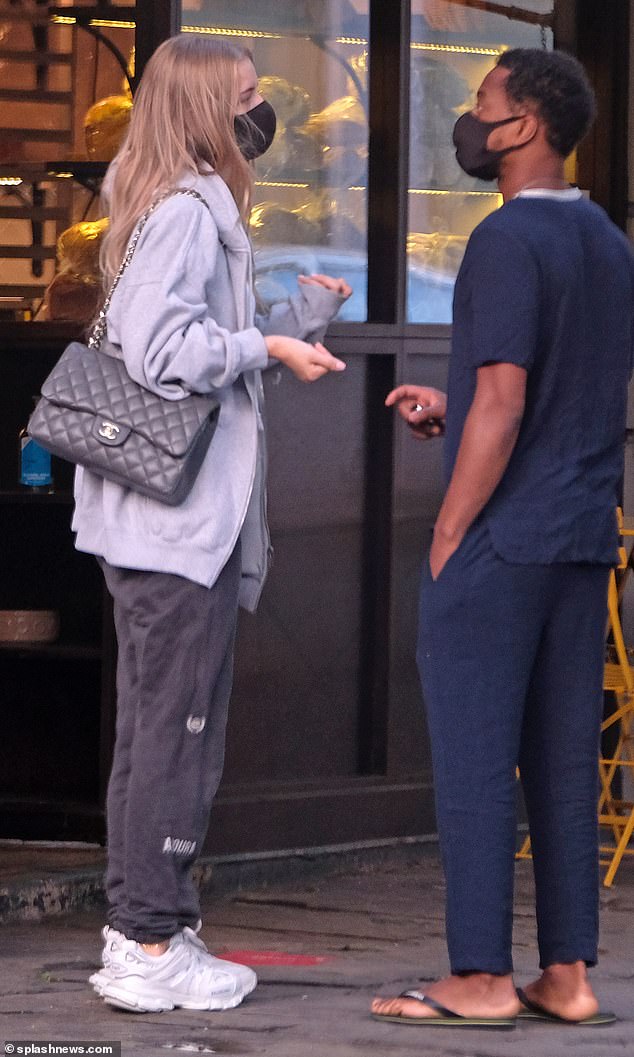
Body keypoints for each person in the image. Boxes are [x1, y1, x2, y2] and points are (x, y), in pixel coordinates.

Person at [74, 34, 351, 1014]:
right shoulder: (191, 209)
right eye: (246, 94)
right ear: (205, 111)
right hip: (176, 526)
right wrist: (265, 337)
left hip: (156, 524)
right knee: (175, 737)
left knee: (156, 736)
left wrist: (288, 321)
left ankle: (146, 928)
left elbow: (189, 340)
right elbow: (162, 350)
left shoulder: (170, 203)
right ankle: (150, 942)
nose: (261, 108)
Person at [373, 48, 634, 1029]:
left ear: (523, 125)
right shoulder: (607, 240)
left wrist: (448, 527)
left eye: (482, 103)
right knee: (566, 757)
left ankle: (479, 974)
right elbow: (561, 391)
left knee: (477, 754)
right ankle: (566, 973)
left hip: (501, 542)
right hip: (578, 536)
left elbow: (505, 395)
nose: (469, 120)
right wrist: (461, 409)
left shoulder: (504, 239)